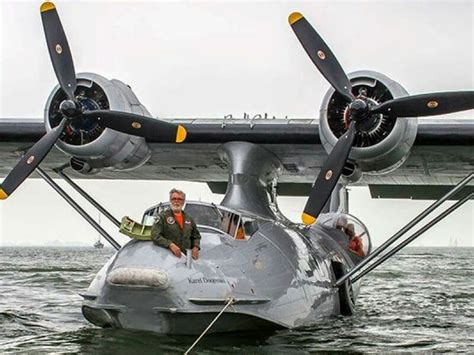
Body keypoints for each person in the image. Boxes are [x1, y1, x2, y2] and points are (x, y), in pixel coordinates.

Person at [151, 188, 201, 259]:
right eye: (174, 199)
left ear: (183, 202)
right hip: (168, 258)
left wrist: (196, 247)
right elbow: (155, 235)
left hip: (186, 259)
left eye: (179, 199)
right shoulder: (162, 217)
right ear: (170, 200)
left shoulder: (189, 219)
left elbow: (196, 236)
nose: (176, 201)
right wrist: (170, 244)